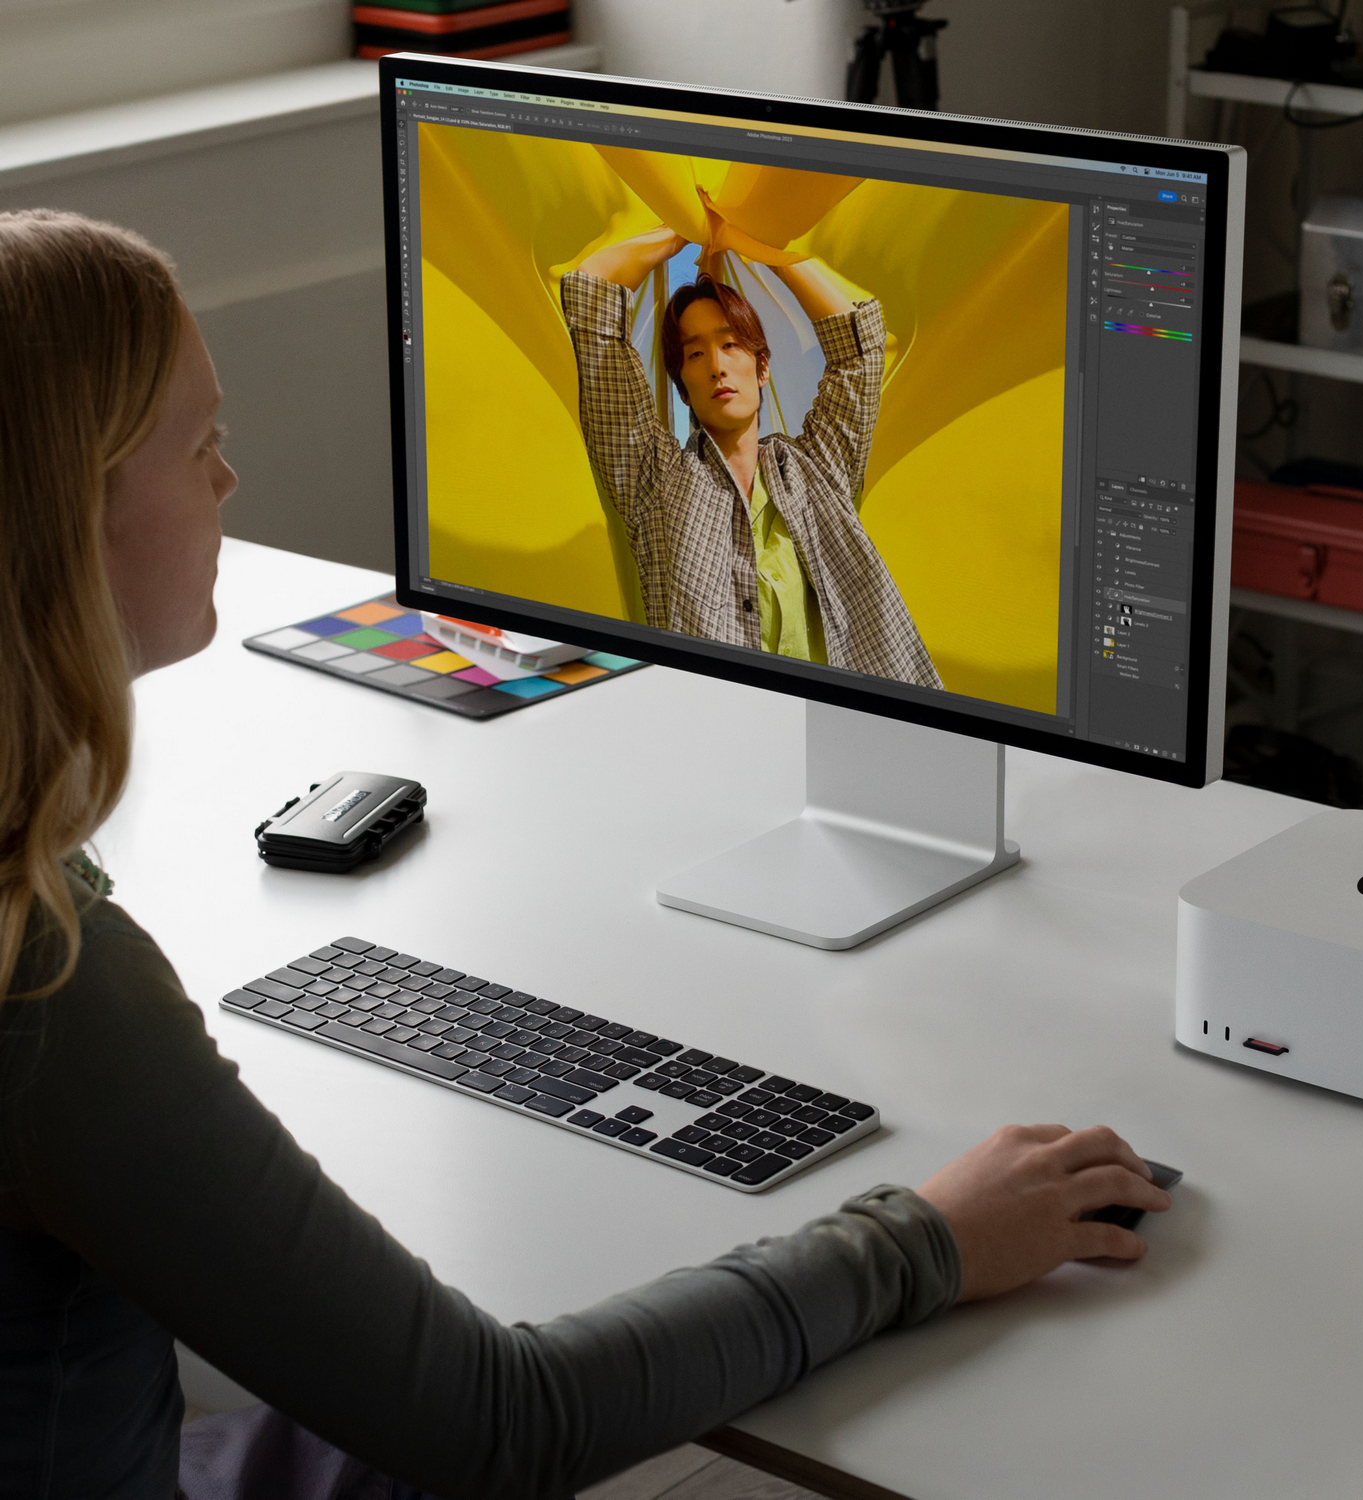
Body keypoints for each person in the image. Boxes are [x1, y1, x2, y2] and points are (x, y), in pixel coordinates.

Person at [0, 209, 1171, 1499]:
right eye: (203, 445)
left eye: (744, 345)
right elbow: (505, 1424)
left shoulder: (817, 464)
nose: (230, 483)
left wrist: (770, 254)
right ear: (68, 513)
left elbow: (856, 339)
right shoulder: (47, 983)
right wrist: (925, 1239)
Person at [561, 228, 942, 689]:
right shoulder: (654, 482)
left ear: (762, 368)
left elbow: (860, 349)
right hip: (721, 739)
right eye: (695, 353)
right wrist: (685, 228)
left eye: (731, 344)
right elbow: (592, 295)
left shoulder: (818, 467)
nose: (716, 366)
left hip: (854, 732)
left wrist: (766, 245)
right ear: (683, 387)